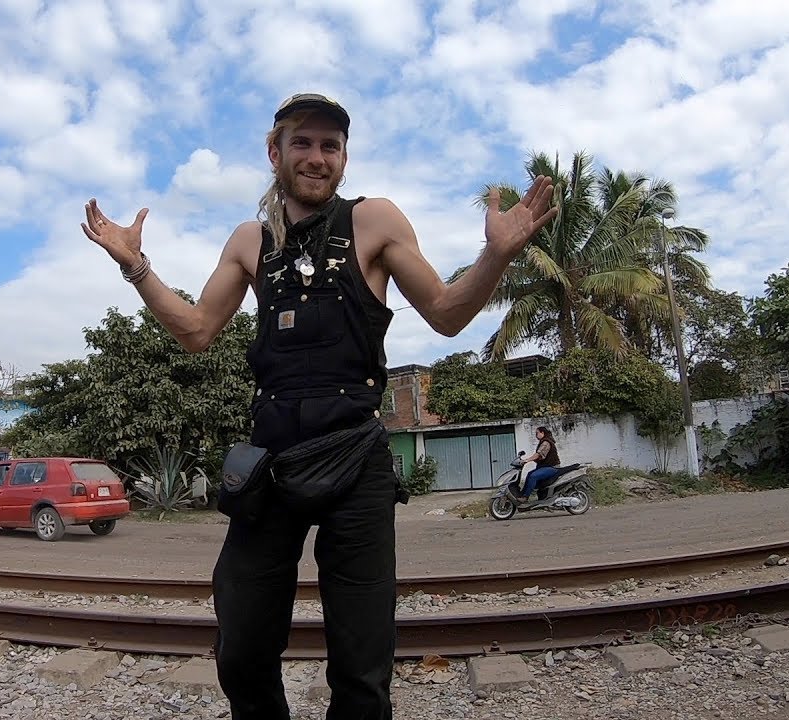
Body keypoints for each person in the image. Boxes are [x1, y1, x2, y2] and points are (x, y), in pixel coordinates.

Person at [82, 92, 556, 720]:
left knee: (363, 665)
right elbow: (196, 330)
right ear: (274, 152)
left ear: (344, 157)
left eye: (330, 145)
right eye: (302, 143)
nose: (316, 156)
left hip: (356, 457)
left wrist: (497, 255)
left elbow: (444, 312)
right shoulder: (249, 241)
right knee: (243, 642)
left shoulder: (375, 221)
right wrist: (136, 265)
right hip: (272, 459)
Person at [515, 426, 561, 501]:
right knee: (529, 474)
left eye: (537, 433)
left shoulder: (546, 442)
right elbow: (540, 457)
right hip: (546, 466)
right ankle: (522, 494)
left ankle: (525, 497)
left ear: (542, 433)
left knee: (533, 476)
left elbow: (538, 454)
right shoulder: (543, 441)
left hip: (552, 467)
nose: (536, 435)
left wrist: (527, 460)